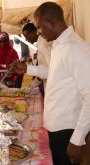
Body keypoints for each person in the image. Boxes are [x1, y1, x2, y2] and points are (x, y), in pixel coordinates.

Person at [33, 2, 90, 165]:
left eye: (39, 27)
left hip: (68, 131)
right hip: (58, 128)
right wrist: (28, 68)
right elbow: (55, 74)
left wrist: (77, 139)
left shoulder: (75, 48)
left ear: (51, 22)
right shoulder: (59, 45)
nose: (39, 32)